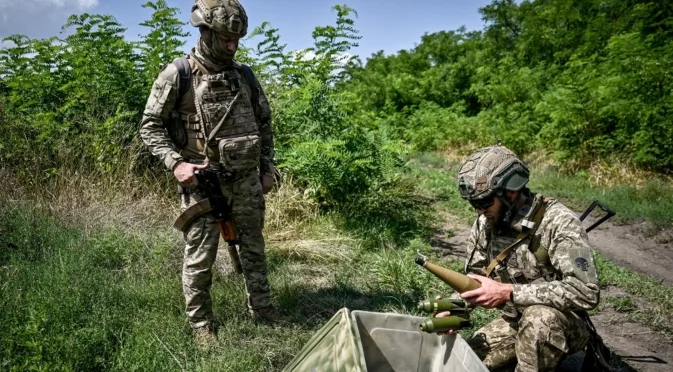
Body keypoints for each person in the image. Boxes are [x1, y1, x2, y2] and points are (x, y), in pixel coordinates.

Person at [139, 0, 285, 344]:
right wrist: (177, 163)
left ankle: (262, 307)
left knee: (253, 247)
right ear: (205, 31)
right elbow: (150, 127)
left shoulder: (244, 74)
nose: (232, 45)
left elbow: (264, 125)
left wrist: (267, 170)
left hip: (247, 179)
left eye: (236, 39)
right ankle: (201, 324)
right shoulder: (179, 73)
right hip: (204, 184)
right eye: (224, 38)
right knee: (200, 258)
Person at [438, 145, 600, 372]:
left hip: (559, 322)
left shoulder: (560, 222)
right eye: (474, 205)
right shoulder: (486, 223)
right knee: (464, 363)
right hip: (514, 321)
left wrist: (508, 293)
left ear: (510, 193)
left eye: (484, 203)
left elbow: (586, 291)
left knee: (539, 319)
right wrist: (454, 310)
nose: (479, 211)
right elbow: (475, 278)